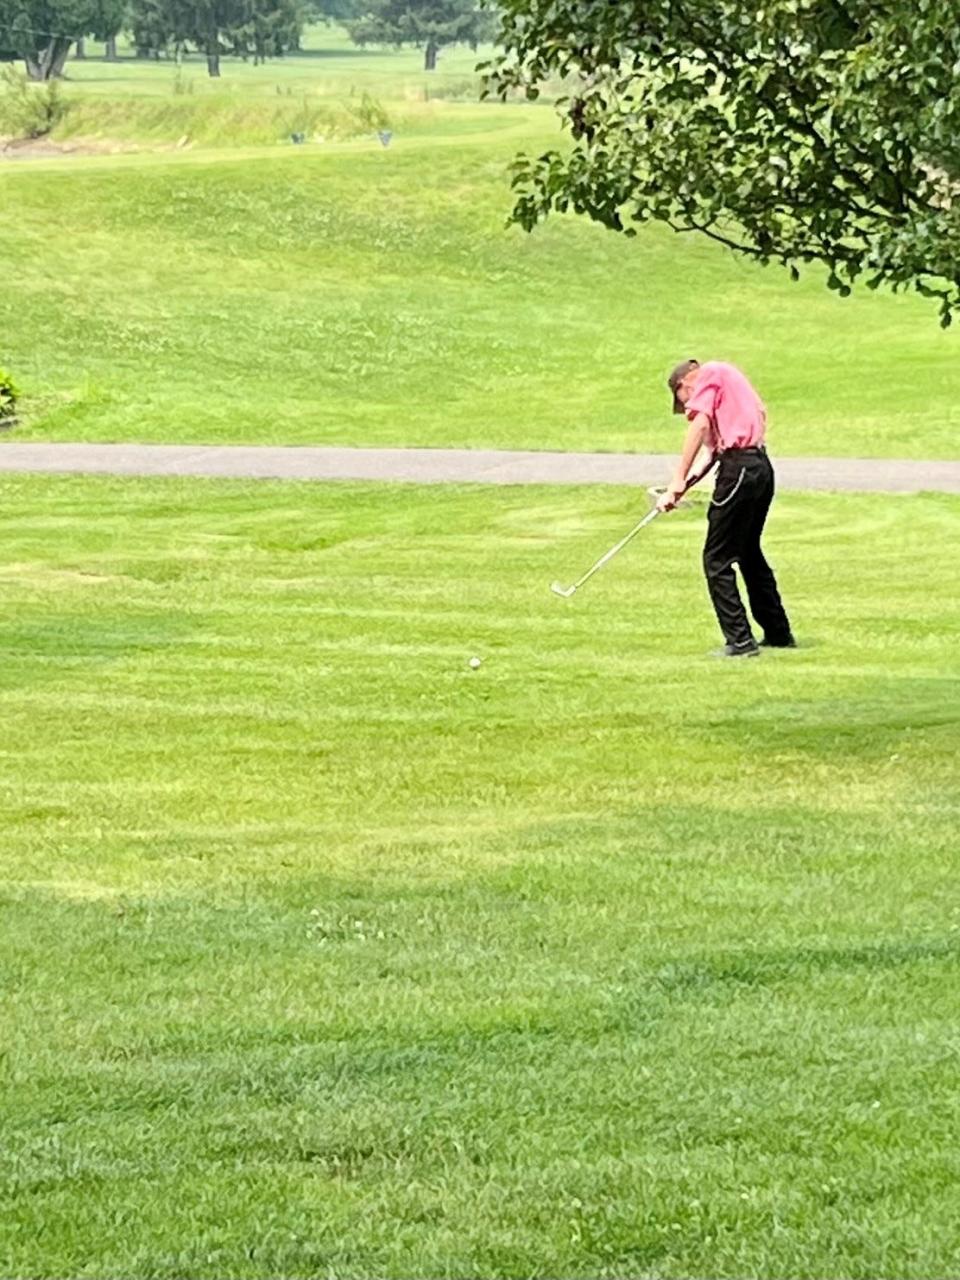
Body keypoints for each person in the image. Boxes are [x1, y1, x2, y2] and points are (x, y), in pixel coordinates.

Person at [658, 359, 795, 657]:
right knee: (748, 552)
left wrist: (677, 479)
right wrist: (681, 487)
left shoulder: (709, 375)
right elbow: (714, 453)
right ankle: (778, 633)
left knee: (716, 559)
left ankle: (740, 642)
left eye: (685, 403)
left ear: (685, 385)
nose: (688, 409)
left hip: (739, 468)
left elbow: (701, 425)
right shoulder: (731, 381)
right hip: (760, 466)